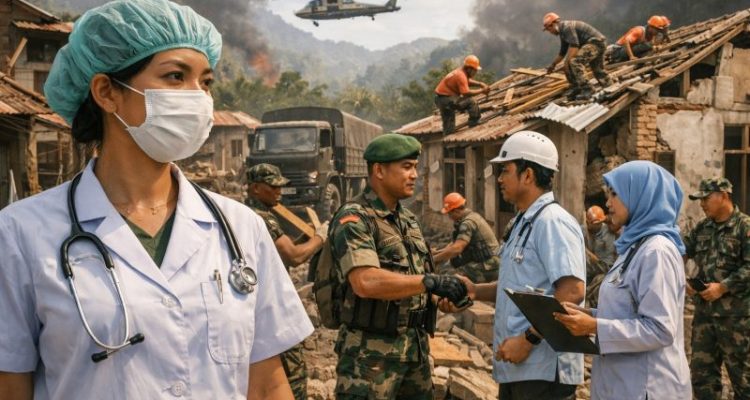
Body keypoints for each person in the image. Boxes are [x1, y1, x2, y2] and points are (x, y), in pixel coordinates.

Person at [0, 1, 313, 399]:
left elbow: (268, 385)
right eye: (175, 76)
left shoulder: (240, 227)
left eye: (206, 82)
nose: (198, 97)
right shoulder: (21, 234)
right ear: (107, 92)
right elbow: (10, 387)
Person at [444, 130, 586, 400]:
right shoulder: (523, 222)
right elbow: (518, 284)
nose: (499, 178)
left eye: (505, 170)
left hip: (544, 371)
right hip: (520, 368)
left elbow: (572, 291)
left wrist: (528, 340)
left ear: (528, 175)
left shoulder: (553, 222)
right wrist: (476, 290)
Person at [330, 133, 470, 399]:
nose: (414, 175)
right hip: (370, 357)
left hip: (414, 350)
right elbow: (365, 281)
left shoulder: (407, 220)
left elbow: (414, 278)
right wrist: (429, 282)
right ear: (379, 171)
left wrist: (440, 297)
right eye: (406, 167)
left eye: (415, 167)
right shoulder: (355, 218)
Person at [555, 160, 692, 400]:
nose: (608, 203)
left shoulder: (657, 251)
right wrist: (588, 315)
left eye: (615, 194)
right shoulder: (634, 247)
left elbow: (660, 329)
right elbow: (627, 311)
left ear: (641, 195)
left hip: (648, 388)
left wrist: (594, 326)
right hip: (622, 384)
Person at [246, 162, 330, 400]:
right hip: (271, 307)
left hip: (254, 305)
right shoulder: (262, 217)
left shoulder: (244, 213)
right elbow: (294, 257)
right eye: (272, 186)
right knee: (293, 374)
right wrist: (320, 238)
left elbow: (280, 251)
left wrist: (305, 238)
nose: (279, 191)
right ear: (255, 188)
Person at [684, 178, 750, 399]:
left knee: (743, 381)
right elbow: (682, 251)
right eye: (700, 199)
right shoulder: (702, 227)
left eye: (706, 198)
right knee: (702, 379)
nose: (702, 204)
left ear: (723, 196)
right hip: (704, 316)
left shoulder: (744, 227)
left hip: (736, 319)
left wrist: (722, 287)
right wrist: (683, 280)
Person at [543, 12, 614, 101]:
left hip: (596, 43)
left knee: (574, 62)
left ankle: (588, 89)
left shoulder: (567, 27)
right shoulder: (563, 32)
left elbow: (574, 46)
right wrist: (553, 65)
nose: (550, 32)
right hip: (598, 43)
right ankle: (609, 85)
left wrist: (566, 63)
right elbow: (562, 52)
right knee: (597, 69)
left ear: (553, 24)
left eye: (549, 29)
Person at [433, 192, 500, 283]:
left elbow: (456, 249)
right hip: (488, 263)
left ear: (456, 211)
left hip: (489, 265)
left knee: (449, 279)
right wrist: (436, 253)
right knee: (449, 267)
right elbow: (453, 245)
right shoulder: (472, 216)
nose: (450, 217)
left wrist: (434, 259)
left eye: (450, 214)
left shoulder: (468, 223)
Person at [434, 55, 490, 134]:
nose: (475, 73)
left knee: (449, 128)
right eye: (475, 70)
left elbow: (466, 81)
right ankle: (474, 120)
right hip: (447, 100)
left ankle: (448, 133)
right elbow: (466, 93)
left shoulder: (460, 72)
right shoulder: (461, 75)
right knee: (471, 101)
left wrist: (480, 84)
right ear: (469, 69)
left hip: (441, 100)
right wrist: (482, 91)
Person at [583, 206, 617, 307]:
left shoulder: (608, 234)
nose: (594, 225)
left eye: (598, 223)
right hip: (587, 270)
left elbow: (607, 266)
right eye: (590, 223)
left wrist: (586, 252)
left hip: (604, 267)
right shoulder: (582, 231)